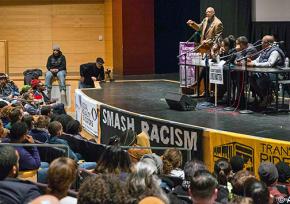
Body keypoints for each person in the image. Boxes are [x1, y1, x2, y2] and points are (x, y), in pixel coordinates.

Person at [187, 7, 223, 96]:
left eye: (209, 12)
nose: (207, 13)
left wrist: (208, 41)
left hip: (211, 50)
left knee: (207, 70)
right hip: (203, 48)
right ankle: (202, 90)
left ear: (213, 13)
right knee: (202, 68)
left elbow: (218, 38)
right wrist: (193, 24)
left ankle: (208, 90)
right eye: (206, 12)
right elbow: (199, 28)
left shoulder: (218, 23)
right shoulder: (205, 19)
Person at [247, 35, 286, 108]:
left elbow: (270, 64)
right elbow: (258, 60)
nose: (261, 43)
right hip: (266, 73)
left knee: (261, 79)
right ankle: (264, 97)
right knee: (251, 78)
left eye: (263, 42)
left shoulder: (275, 51)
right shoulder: (264, 51)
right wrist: (251, 61)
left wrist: (254, 64)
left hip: (276, 74)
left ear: (268, 43)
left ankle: (267, 97)